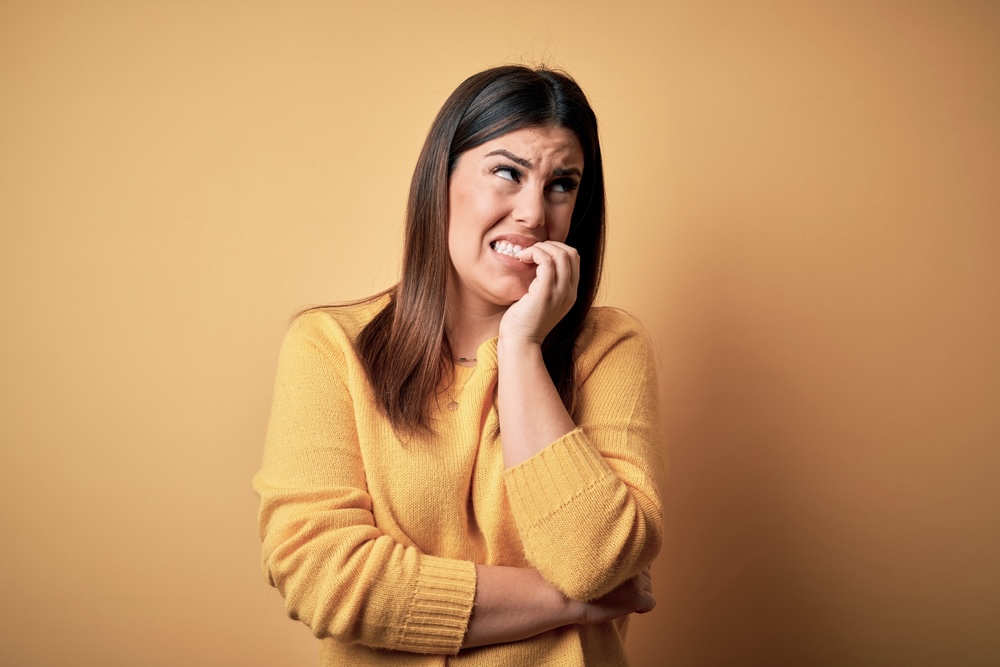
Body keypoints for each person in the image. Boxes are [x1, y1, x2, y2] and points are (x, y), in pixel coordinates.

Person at [253, 65, 665, 666]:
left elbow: (596, 556)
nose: (533, 212)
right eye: (507, 172)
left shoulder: (610, 348)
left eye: (561, 184)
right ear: (439, 180)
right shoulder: (330, 347)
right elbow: (325, 580)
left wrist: (522, 348)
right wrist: (573, 603)